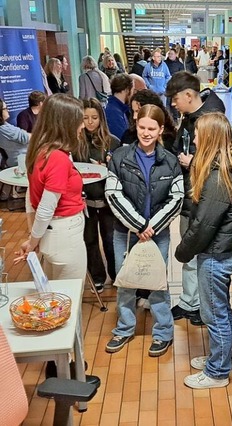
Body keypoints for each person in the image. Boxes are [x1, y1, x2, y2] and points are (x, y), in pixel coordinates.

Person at [104, 104, 183, 357]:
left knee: (158, 283)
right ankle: (125, 328)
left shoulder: (170, 161)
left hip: (157, 233)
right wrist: (139, 225)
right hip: (125, 232)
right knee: (125, 281)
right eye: (141, 127)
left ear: (161, 130)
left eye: (151, 129)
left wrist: (152, 227)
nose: (146, 133)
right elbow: (113, 194)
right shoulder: (119, 157)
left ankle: (163, 333)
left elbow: (177, 198)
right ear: (135, 125)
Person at [175, 112, 232, 389]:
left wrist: (183, 252)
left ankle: (217, 371)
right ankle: (219, 357)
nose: (193, 138)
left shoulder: (219, 176)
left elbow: (203, 225)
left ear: (209, 138)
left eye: (197, 134)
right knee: (220, 310)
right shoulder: (229, 164)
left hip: (215, 255)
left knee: (214, 314)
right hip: (224, 251)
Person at [165, 71, 226, 326]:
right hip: (189, 198)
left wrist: (194, 162)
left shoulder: (211, 119)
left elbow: (225, 160)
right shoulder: (189, 117)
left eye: (175, 98)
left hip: (203, 199)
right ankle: (190, 302)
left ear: (189, 95)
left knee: (202, 256)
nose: (172, 104)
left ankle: (201, 306)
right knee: (189, 253)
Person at [14, 94, 87, 280]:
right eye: (79, 121)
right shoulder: (57, 158)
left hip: (52, 236)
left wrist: (34, 237)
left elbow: (31, 200)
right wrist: (33, 241)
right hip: (65, 236)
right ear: (66, 124)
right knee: (69, 300)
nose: (83, 126)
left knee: (55, 296)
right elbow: (46, 208)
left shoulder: (39, 151)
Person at [75, 98, 121, 293]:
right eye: (85, 118)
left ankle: (117, 276)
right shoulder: (75, 143)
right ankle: (97, 277)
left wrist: (108, 167)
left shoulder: (114, 142)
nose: (90, 122)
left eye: (94, 117)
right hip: (85, 201)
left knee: (111, 241)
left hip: (108, 201)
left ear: (101, 118)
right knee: (89, 240)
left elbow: (122, 173)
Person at [0, 98, 30, 167]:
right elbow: (27, 137)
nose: (8, 110)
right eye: (5, 108)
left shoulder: (5, 125)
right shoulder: (4, 129)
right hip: (21, 164)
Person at [104, 73, 134, 140]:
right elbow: (123, 139)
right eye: (132, 90)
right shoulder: (114, 112)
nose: (133, 94)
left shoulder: (120, 109)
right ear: (127, 90)